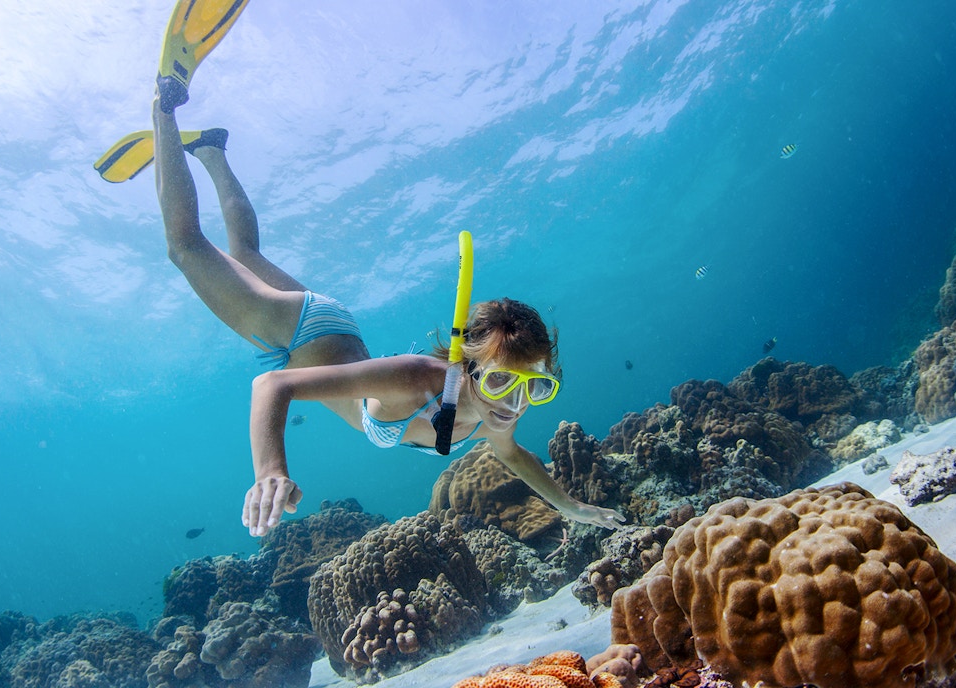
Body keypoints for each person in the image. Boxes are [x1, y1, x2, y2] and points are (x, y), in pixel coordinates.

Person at [151, 96, 623, 538]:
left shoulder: (497, 405)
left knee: (244, 254)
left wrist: (571, 507)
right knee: (186, 246)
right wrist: (270, 472)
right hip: (299, 332)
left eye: (535, 387)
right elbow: (273, 386)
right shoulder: (415, 380)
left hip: (337, 331)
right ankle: (164, 103)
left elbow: (513, 455)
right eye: (502, 383)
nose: (516, 404)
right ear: (466, 367)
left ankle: (212, 150)